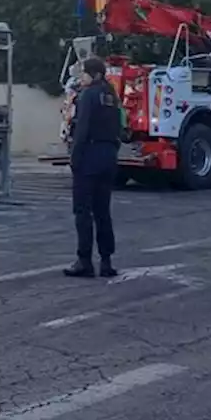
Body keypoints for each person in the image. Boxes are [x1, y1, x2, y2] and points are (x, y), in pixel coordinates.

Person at [65, 56, 121, 278]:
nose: (82, 77)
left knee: (83, 211)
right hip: (108, 156)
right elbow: (119, 125)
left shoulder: (88, 95)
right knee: (103, 212)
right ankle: (106, 261)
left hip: (89, 156)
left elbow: (82, 129)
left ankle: (84, 261)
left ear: (95, 74)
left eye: (84, 73)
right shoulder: (111, 95)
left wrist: (75, 157)